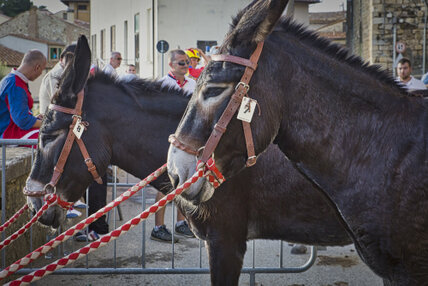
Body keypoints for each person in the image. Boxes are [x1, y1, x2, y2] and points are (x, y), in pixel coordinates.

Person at [151, 49, 196, 243]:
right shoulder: (163, 84)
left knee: (184, 182)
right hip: (167, 138)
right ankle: (158, 227)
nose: (186, 66)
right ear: (171, 65)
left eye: (187, 62)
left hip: (187, 140)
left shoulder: (193, 83)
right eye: (181, 63)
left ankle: (181, 223)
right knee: (165, 183)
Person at [0, 50, 46, 140]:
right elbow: (22, 121)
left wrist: (35, 119)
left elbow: (17, 114)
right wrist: (47, 122)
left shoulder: (12, 80)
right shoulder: (16, 85)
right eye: (42, 70)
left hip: (12, 129)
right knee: (50, 138)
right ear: (37, 67)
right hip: (8, 133)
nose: (41, 74)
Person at [39, 44, 76, 115]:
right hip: (50, 120)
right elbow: (61, 104)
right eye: (70, 60)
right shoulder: (55, 76)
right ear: (61, 59)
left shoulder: (71, 73)